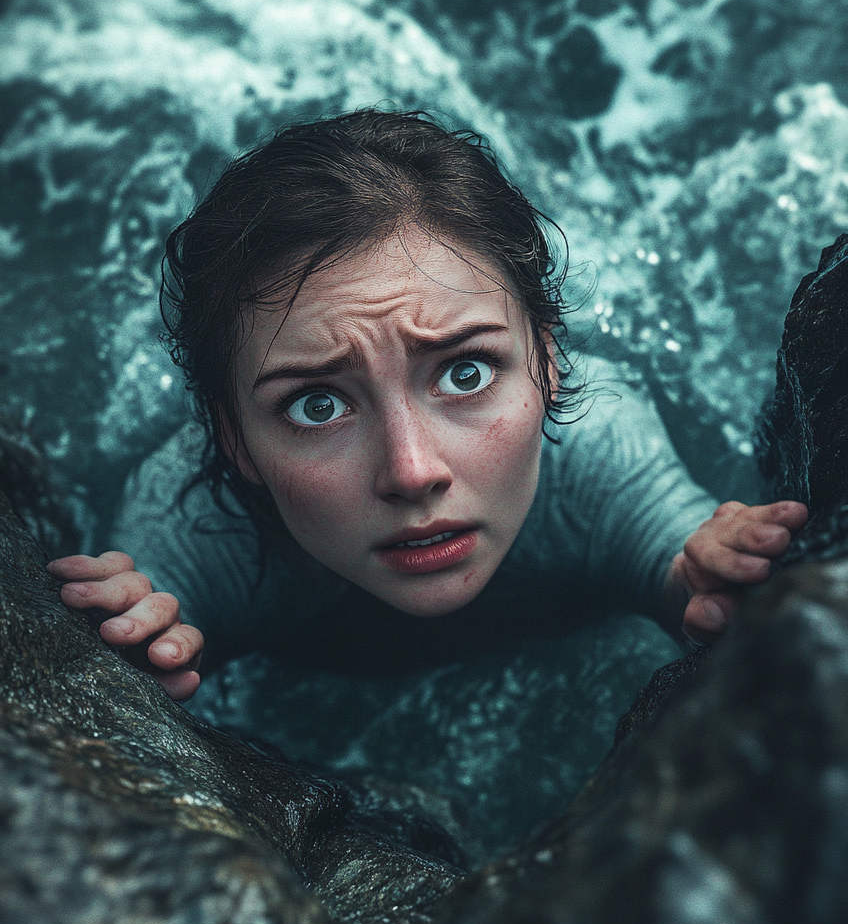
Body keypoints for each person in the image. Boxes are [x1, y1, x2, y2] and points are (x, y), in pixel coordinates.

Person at [48, 111, 806, 709]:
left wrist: (710, 576)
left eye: (466, 372)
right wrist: (132, 652)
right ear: (233, 438)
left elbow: (677, 566)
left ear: (546, 362)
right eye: (317, 405)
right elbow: (140, 655)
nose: (413, 472)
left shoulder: (602, 446)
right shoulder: (197, 527)